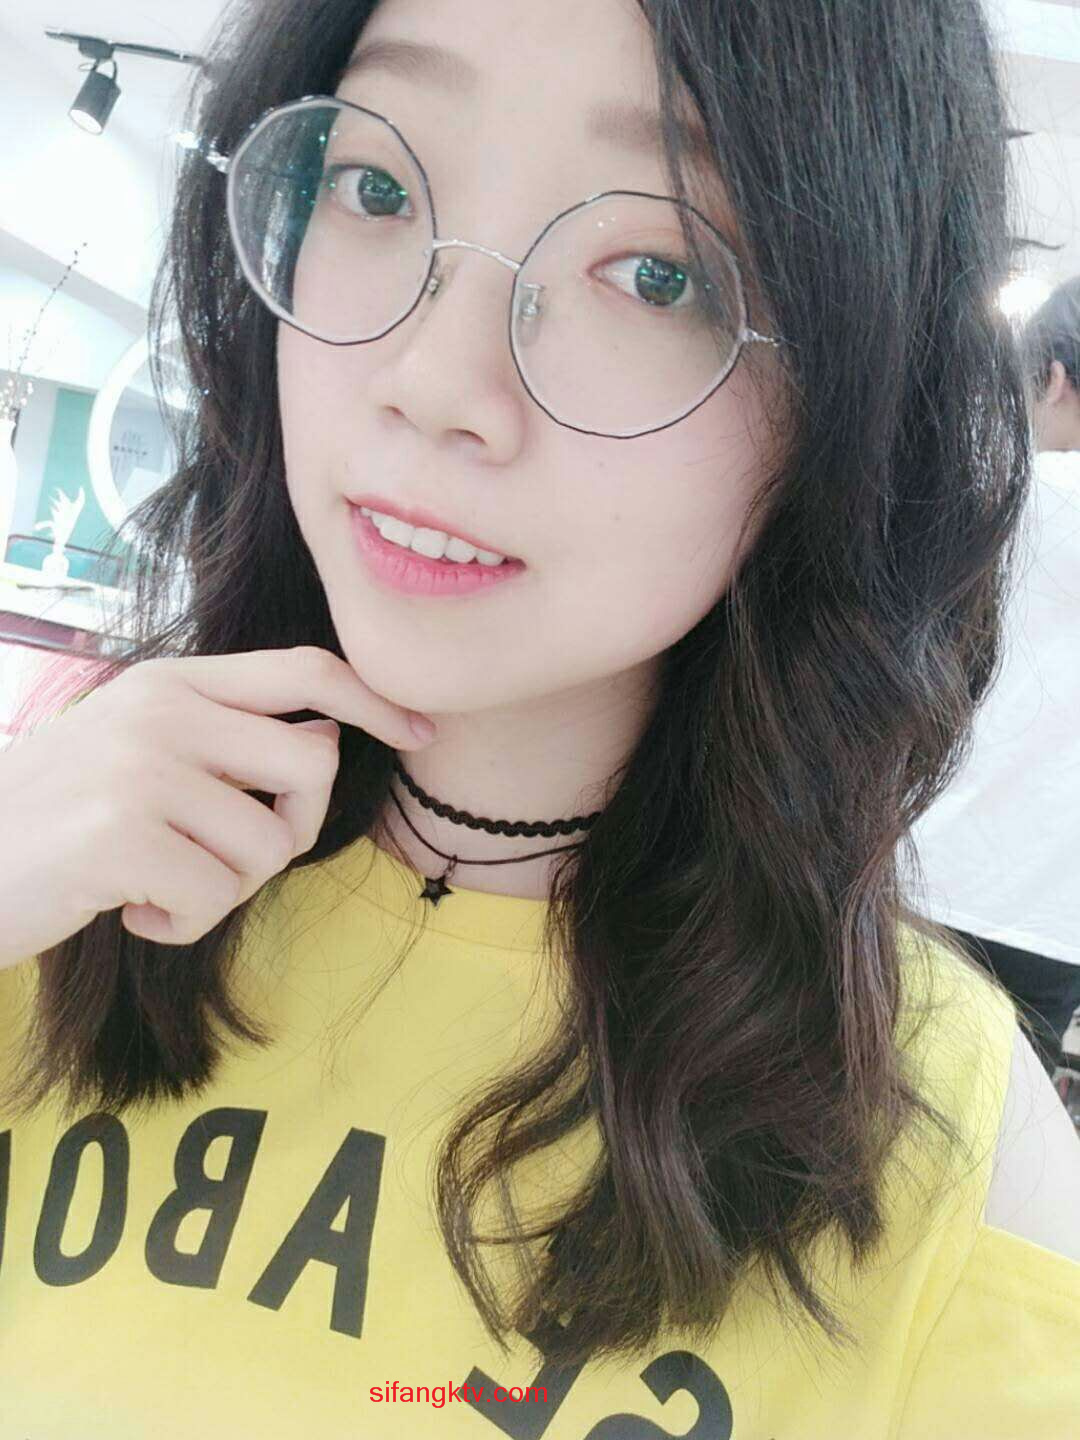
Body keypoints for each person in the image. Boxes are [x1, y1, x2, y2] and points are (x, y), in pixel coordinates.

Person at [0, 1, 1078, 1436]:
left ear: (850, 395)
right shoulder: (68, 875)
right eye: (376, 187)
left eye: (656, 273)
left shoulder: (947, 1147)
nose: (434, 382)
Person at [901, 276, 1080, 1077]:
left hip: (934, 876)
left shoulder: (1011, 499)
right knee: (996, 1126)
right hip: (1058, 923)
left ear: (1054, 379)